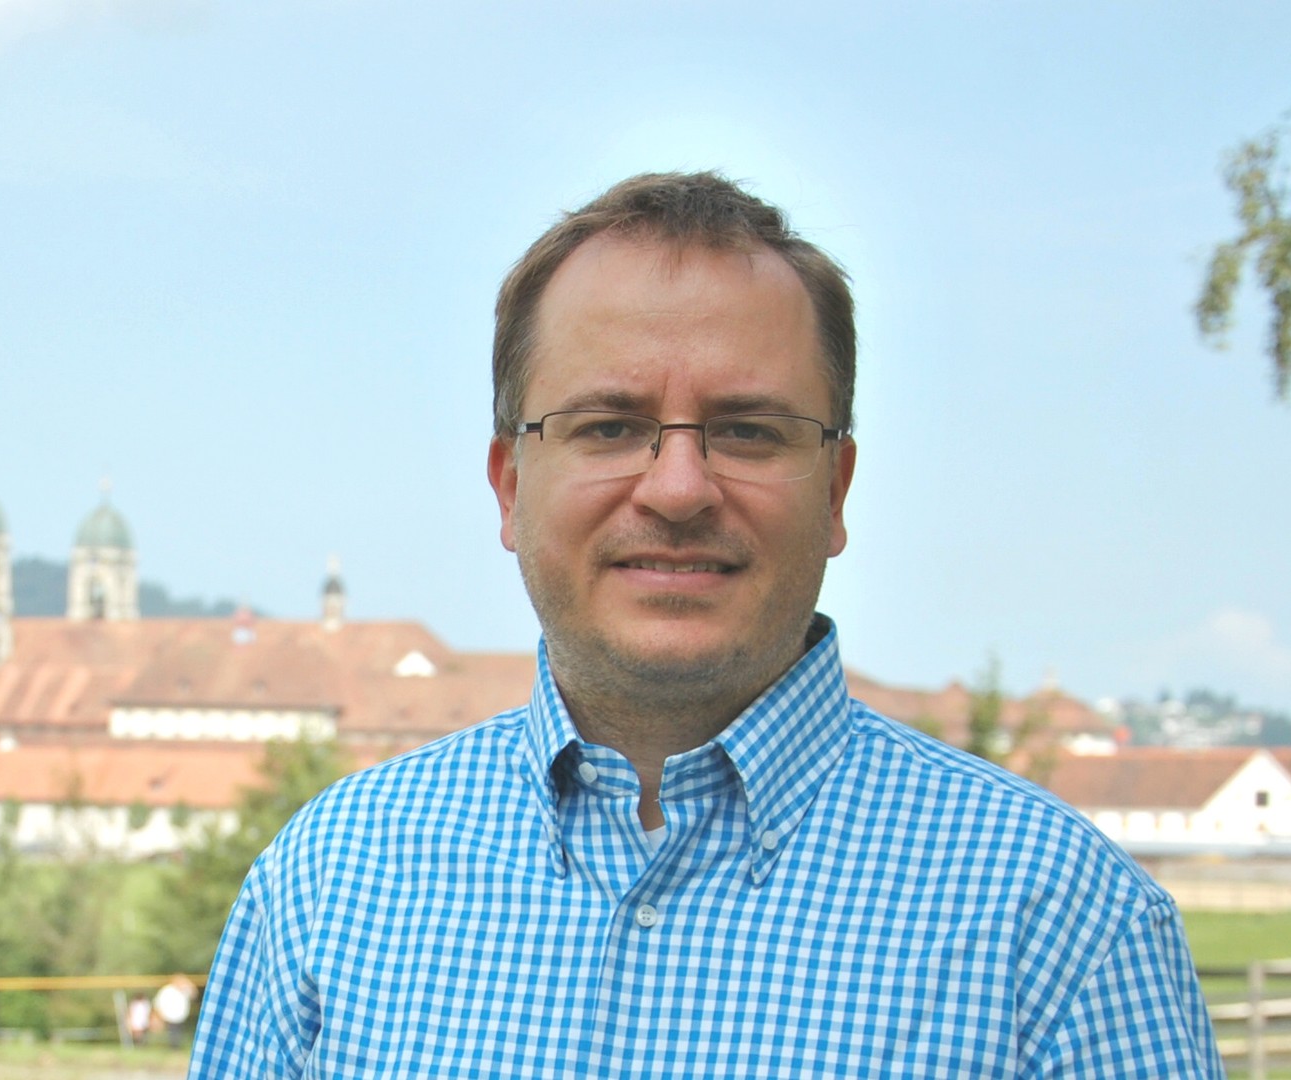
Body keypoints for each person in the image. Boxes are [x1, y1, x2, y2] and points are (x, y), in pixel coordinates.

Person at [188, 171, 1225, 1077]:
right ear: (510, 487)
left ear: (836, 490)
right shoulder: (330, 882)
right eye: (609, 426)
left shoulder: (1060, 925)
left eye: (745, 430)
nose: (678, 487)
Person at [154, 973, 195, 1051]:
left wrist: (189, 984)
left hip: (180, 1016)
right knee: (172, 1032)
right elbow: (159, 1002)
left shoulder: (184, 989)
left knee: (178, 1032)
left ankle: (176, 1047)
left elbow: (193, 995)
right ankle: (173, 1047)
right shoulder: (167, 990)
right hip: (169, 1015)